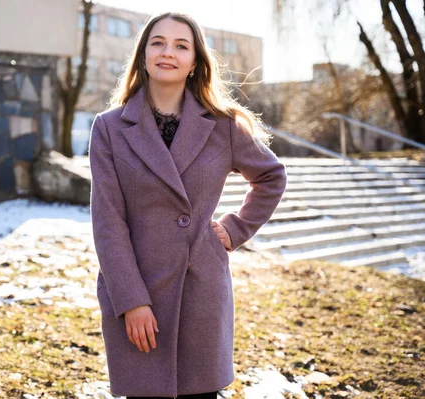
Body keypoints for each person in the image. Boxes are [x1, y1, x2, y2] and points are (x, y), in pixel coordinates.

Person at [88, 11, 287, 399]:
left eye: (182, 46)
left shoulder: (223, 124)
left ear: (195, 62)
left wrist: (234, 229)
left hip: (201, 289)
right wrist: (131, 301)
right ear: (143, 55)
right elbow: (107, 221)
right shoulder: (110, 128)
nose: (168, 52)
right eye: (158, 43)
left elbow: (271, 177)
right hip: (136, 289)